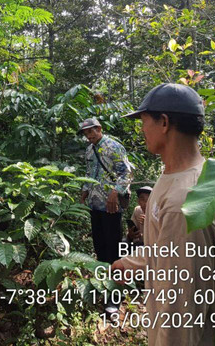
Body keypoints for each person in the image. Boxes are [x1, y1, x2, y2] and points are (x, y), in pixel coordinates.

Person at [112, 83, 215, 346]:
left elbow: (182, 308)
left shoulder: (184, 201)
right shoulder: (187, 175)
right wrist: (131, 264)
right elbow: (169, 249)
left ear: (164, 122)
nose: (141, 130)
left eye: (144, 121)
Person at [78, 117, 132, 312]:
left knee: (113, 249)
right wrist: (84, 192)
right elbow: (89, 173)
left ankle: (115, 295)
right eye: (86, 133)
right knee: (100, 247)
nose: (89, 135)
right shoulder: (89, 150)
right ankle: (102, 285)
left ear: (99, 129)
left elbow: (126, 173)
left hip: (111, 206)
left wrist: (115, 192)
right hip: (95, 205)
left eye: (91, 131)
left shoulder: (114, 146)